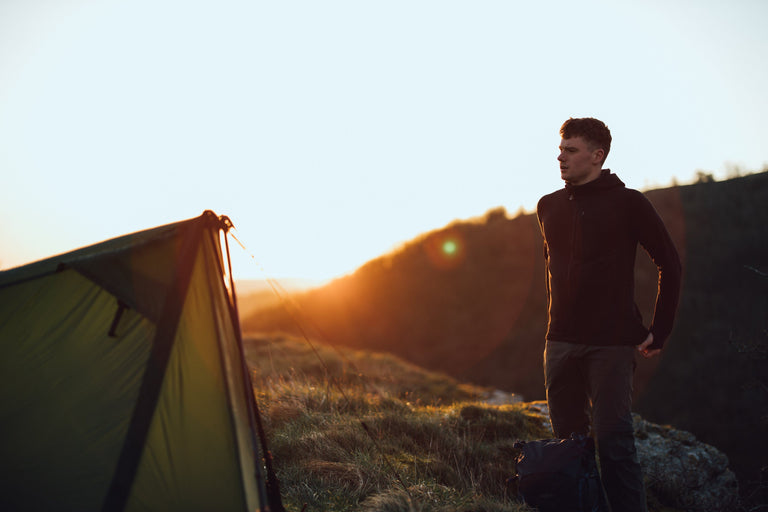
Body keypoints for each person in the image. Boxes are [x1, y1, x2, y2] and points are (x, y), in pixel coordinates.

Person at [536, 117, 682, 512]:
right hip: (560, 343)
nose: (560, 156)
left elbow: (670, 263)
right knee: (567, 450)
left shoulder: (629, 203)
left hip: (612, 344)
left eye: (570, 150)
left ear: (597, 156)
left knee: (615, 447)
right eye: (560, 148)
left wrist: (661, 328)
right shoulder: (547, 206)